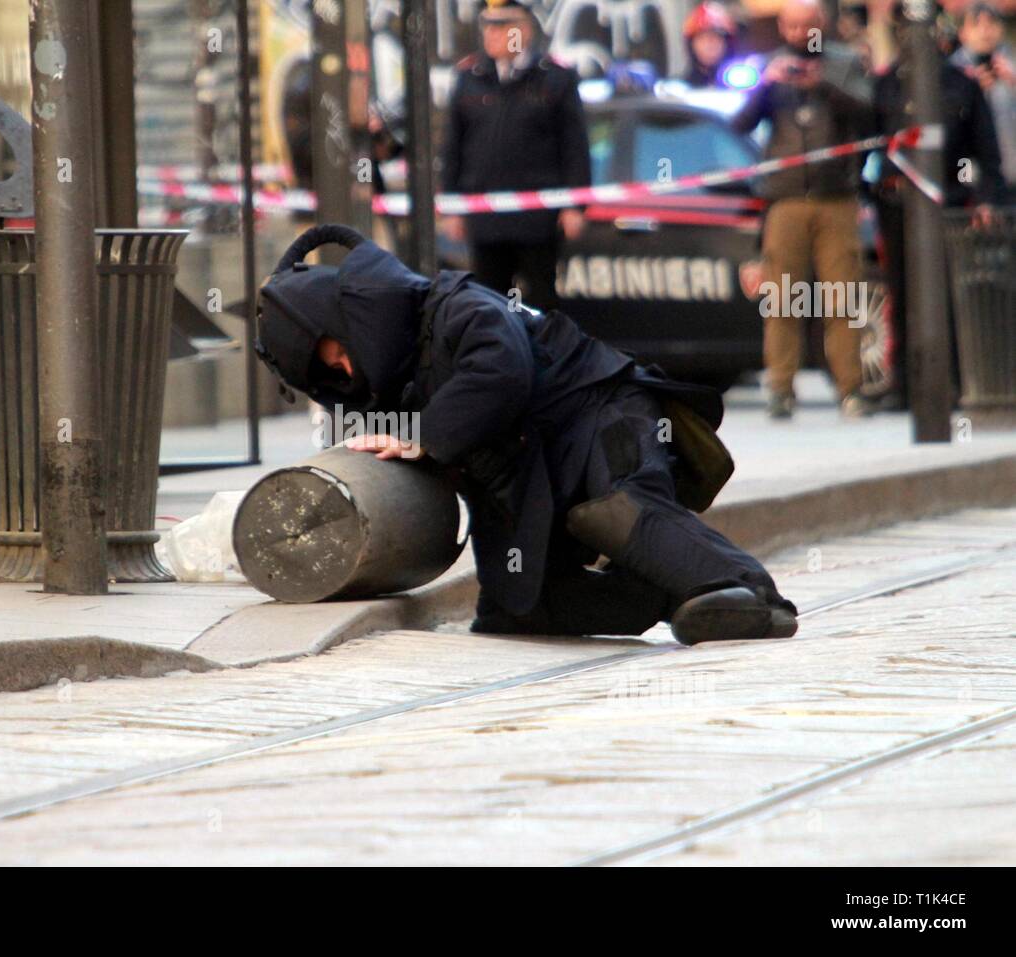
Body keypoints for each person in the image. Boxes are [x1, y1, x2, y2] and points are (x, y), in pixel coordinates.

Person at [255, 224, 799, 645]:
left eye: (341, 354)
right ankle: (675, 595)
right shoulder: (392, 383)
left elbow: (501, 372)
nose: (347, 372)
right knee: (517, 611)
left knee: (621, 509)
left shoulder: (456, 308)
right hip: (533, 469)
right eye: (334, 372)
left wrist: (425, 433)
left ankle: (751, 593)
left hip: (604, 409)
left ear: (350, 318)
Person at [733, 0, 877, 420]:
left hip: (836, 197)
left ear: (822, 25)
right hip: (786, 199)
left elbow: (869, 116)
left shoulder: (846, 63)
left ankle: (850, 388)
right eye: (793, 27)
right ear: (782, 27)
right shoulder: (768, 67)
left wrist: (823, 85)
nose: (801, 35)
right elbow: (739, 124)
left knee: (842, 297)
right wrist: (764, 85)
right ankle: (781, 388)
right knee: (783, 298)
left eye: (808, 26)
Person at [872, 4, 1006, 407]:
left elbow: (987, 151)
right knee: (902, 293)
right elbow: (872, 143)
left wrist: (984, 199)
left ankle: (950, 384)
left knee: (947, 295)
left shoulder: (960, 85)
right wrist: (870, 192)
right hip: (898, 204)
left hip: (949, 204)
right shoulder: (889, 85)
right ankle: (904, 387)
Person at [440, 0, 590, 311]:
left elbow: (574, 146)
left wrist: (575, 204)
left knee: (542, 302)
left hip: (537, 218)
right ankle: (499, 359)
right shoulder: (471, 77)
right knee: (490, 303)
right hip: (485, 216)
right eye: (488, 26)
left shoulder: (554, 79)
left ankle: (543, 359)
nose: (491, 34)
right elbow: (453, 148)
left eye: (502, 26)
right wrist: (452, 205)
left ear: (523, 30)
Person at [952, 3, 1016, 193]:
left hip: (1011, 173)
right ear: (962, 32)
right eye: (976, 24)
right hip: (968, 175)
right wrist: (970, 90)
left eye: (991, 23)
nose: (985, 30)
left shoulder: (1010, 66)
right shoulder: (953, 72)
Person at [682, 2, 739, 87]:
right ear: (691, 45)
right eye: (702, 38)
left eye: (716, 38)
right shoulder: (682, 87)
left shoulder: (740, 82)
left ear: (728, 44)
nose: (709, 45)